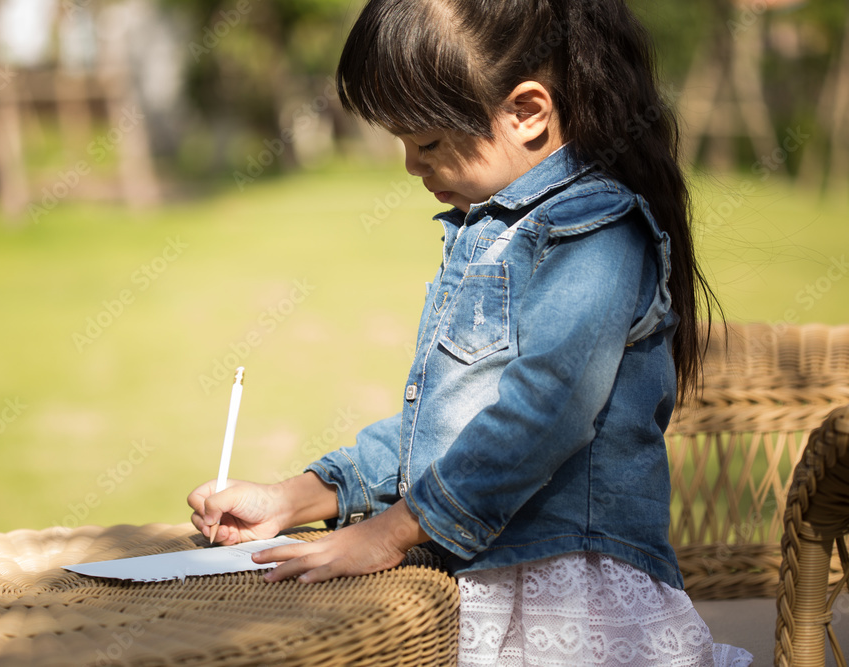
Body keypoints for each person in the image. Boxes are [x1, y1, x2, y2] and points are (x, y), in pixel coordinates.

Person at [189, 1, 752, 664]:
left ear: (528, 113)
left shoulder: (597, 235)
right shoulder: (492, 231)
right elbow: (450, 424)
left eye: (426, 143)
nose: (410, 167)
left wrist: (391, 532)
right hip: (493, 583)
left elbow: (540, 416)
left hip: (573, 604)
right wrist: (293, 496)